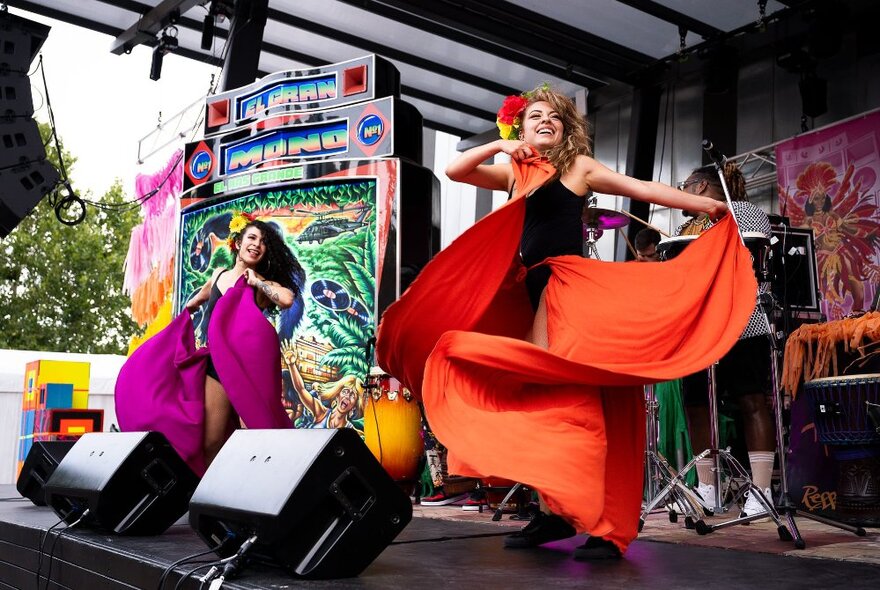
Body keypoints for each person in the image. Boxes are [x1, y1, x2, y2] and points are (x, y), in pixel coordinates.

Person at [375, 85, 758, 562]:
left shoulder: (579, 168)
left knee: (576, 399)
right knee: (541, 397)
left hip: (570, 288)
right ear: (521, 126)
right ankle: (554, 510)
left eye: (555, 117)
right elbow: (456, 169)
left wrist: (706, 207)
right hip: (533, 294)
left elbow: (638, 188)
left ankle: (599, 521)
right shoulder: (515, 172)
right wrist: (500, 145)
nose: (546, 121)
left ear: (565, 128)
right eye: (536, 115)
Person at [115, 214, 304, 474]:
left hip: (249, 367)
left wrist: (257, 281)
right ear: (237, 243)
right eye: (252, 237)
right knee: (212, 441)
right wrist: (182, 324)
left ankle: (267, 489)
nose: (257, 244)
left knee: (259, 432)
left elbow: (286, 299)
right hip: (217, 365)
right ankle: (213, 497)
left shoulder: (261, 284)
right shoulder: (218, 275)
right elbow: (194, 303)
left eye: (263, 242)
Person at [675, 163, 776, 520]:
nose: (680, 191)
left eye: (684, 185)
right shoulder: (686, 226)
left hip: (743, 321)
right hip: (700, 328)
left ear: (701, 187)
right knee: (696, 403)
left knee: (751, 401)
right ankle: (707, 487)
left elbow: (747, 259)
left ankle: (762, 491)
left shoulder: (745, 212)